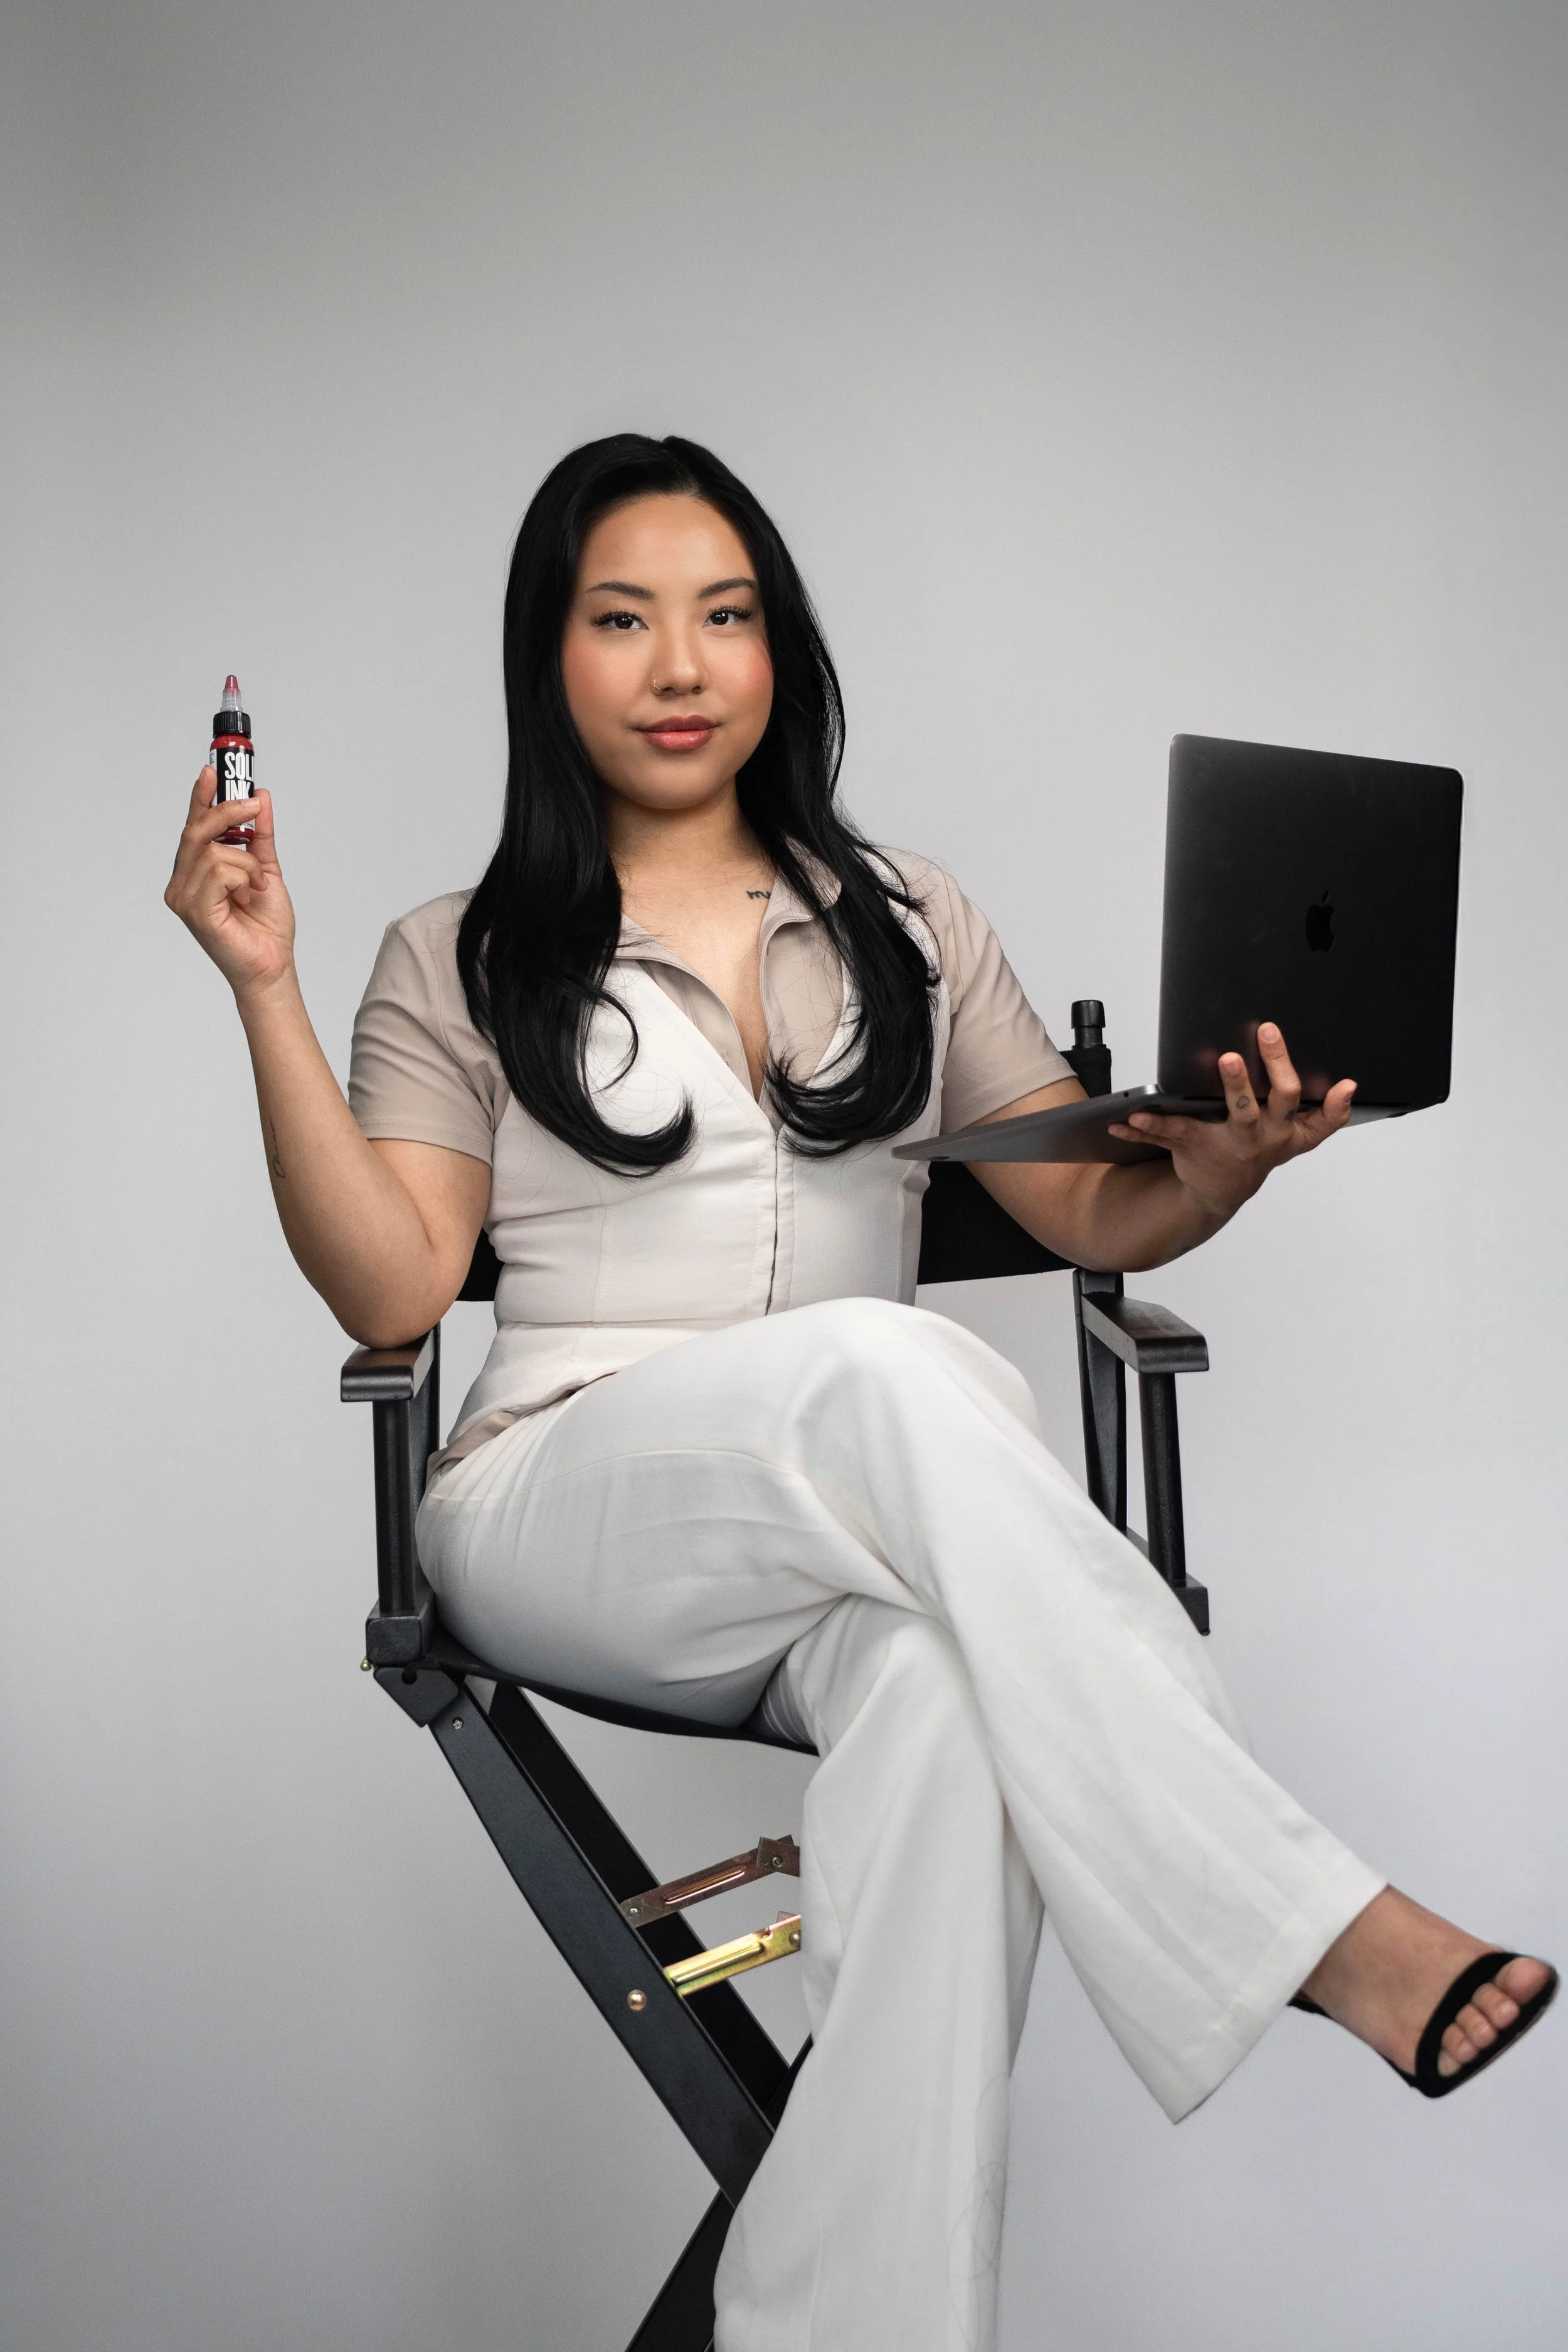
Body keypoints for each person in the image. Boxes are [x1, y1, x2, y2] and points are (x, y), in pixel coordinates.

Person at [167, 434, 1555, 2352]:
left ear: (779, 650)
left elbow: (1080, 1206)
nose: (679, 665)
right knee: (898, 1355)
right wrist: (262, 985)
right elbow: (393, 1280)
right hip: (567, 1491)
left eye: (724, 617)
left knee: (951, 1713)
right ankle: (1310, 1921)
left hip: (857, 1534)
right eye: (623, 619)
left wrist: (1220, 1167)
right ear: (546, 659)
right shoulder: (460, 951)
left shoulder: (906, 914)